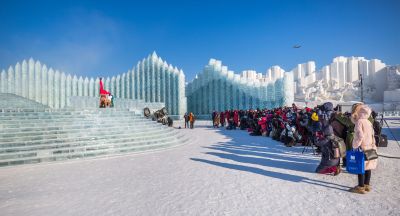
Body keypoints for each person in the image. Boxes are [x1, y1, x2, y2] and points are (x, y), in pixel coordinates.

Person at [349, 104, 378, 194]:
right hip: (369, 146)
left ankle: (360, 187)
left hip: (361, 147)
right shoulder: (368, 122)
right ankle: (366, 185)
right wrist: (373, 145)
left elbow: (360, 136)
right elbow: (373, 135)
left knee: (360, 166)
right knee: (368, 167)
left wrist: (355, 145)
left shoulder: (359, 122)